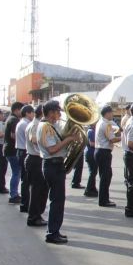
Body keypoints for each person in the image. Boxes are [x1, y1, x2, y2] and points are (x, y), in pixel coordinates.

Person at [37, 100, 82, 244]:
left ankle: (55, 231)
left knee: (58, 201)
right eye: (57, 111)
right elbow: (52, 149)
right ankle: (52, 233)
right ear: (51, 113)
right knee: (57, 201)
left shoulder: (50, 126)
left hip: (55, 166)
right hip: (52, 165)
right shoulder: (45, 127)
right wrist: (69, 139)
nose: (59, 114)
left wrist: (69, 137)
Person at [25, 105, 47, 227]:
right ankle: (34, 217)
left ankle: (36, 215)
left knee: (39, 190)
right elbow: (34, 140)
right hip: (35, 159)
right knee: (37, 190)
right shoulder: (36, 125)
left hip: (36, 159)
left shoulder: (37, 124)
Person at [94, 105, 121, 207]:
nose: (112, 115)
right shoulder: (106, 124)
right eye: (112, 113)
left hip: (99, 151)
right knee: (106, 176)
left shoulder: (100, 122)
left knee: (104, 176)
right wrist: (123, 137)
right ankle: (103, 200)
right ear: (107, 113)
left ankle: (104, 198)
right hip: (104, 151)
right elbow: (112, 139)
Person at [16, 105, 35, 213]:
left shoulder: (22, 123)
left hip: (21, 151)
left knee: (26, 180)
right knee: (26, 180)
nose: (33, 115)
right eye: (32, 113)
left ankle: (25, 203)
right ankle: (25, 204)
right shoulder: (26, 124)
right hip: (24, 152)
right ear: (27, 113)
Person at [4, 101, 24, 204]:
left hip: (9, 149)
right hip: (12, 150)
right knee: (17, 172)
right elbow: (13, 135)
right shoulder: (14, 120)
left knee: (15, 172)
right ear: (17, 110)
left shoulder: (10, 118)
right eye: (22, 109)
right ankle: (14, 195)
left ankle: (14, 193)